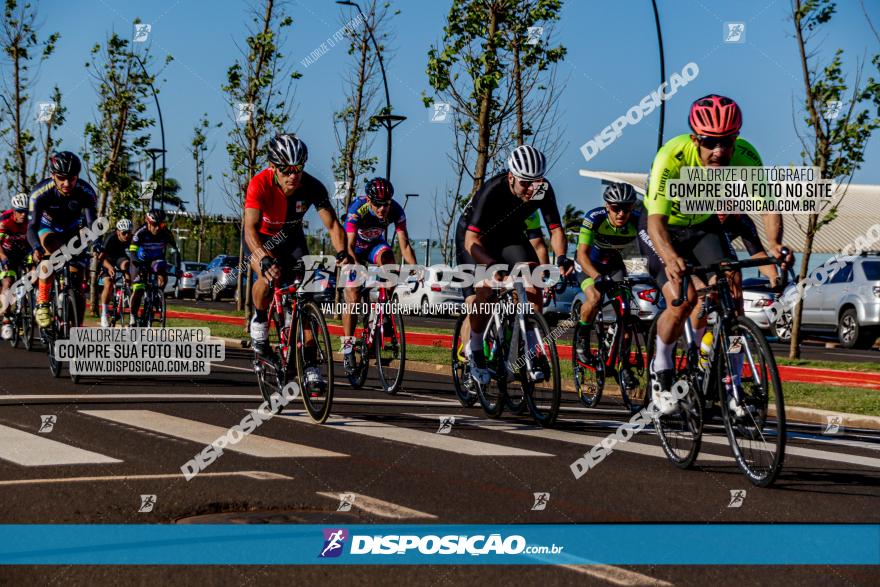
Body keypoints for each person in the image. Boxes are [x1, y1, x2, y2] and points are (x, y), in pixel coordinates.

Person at [638, 94, 792, 415]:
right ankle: (661, 368)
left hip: (703, 224)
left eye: (726, 142)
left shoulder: (747, 157)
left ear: (736, 138)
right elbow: (655, 223)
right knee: (684, 298)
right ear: (696, 139)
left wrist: (775, 246)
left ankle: (732, 383)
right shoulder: (673, 157)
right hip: (663, 228)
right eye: (710, 142)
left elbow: (768, 207)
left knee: (732, 296)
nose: (719, 151)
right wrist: (670, 258)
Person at [455, 144, 574, 385]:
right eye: (525, 183)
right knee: (484, 293)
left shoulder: (542, 189)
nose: (532, 189)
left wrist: (561, 257)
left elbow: (556, 229)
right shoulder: (493, 189)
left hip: (509, 236)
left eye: (536, 182)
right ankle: (474, 349)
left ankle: (531, 349)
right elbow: (471, 240)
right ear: (511, 177)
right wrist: (492, 266)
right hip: (475, 240)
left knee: (532, 280)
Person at [243, 134, 346, 386]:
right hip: (262, 240)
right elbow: (250, 229)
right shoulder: (259, 184)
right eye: (287, 170)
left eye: (298, 169)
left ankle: (310, 365)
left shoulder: (312, 186)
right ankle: (259, 321)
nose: (293, 175)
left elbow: (332, 224)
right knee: (268, 279)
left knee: (307, 299)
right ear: (273, 167)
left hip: (292, 240)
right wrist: (264, 258)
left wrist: (343, 254)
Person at [340, 177, 418, 374]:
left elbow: (405, 244)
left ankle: (384, 312)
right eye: (378, 204)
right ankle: (348, 349)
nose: (383, 209)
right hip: (353, 250)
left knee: (390, 260)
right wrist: (355, 266)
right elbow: (348, 246)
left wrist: (416, 267)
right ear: (369, 200)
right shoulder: (357, 208)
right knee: (353, 296)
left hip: (375, 246)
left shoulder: (397, 210)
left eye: (386, 204)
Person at [26, 151, 98, 328]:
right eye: (61, 178)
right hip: (47, 228)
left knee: (77, 284)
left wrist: (97, 244)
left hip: (72, 232)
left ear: (77, 176)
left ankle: (76, 329)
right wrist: (36, 246)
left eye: (72, 178)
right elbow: (32, 227)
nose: (67, 183)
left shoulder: (86, 192)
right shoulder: (40, 193)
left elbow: (92, 224)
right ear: (53, 176)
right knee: (49, 255)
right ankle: (43, 301)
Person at [574, 183, 640, 369]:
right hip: (588, 265)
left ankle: (623, 364)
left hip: (613, 266)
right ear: (607, 207)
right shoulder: (594, 217)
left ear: (632, 207)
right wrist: (596, 277)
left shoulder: (638, 220)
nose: (621, 213)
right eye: (615, 208)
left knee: (626, 312)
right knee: (595, 297)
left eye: (626, 208)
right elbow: (582, 254)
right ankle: (582, 338)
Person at [128, 209, 179, 327]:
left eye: (160, 225)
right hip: (139, 260)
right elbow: (132, 253)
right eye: (154, 225)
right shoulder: (140, 232)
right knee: (139, 289)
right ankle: (133, 316)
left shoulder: (165, 232)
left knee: (163, 275)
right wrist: (138, 266)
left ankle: (156, 296)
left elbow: (175, 251)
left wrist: (178, 268)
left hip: (156, 259)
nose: (157, 228)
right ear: (148, 222)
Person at [0, 194, 31, 339]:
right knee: (8, 282)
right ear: (13, 211)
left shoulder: (30, 221)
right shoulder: (5, 220)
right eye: (20, 211)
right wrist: (4, 258)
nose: (23, 214)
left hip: (23, 252)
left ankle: (25, 311)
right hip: (6, 254)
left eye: (26, 211)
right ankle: (6, 320)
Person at [97, 219, 134, 327]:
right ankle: (104, 314)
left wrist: (128, 273)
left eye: (129, 232)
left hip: (120, 258)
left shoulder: (131, 239)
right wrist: (109, 267)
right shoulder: (110, 238)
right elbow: (101, 257)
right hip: (107, 260)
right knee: (108, 284)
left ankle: (125, 293)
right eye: (124, 233)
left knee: (126, 266)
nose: (127, 235)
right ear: (118, 232)